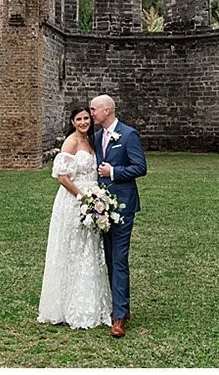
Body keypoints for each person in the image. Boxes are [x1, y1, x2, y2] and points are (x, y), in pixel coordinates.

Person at [36, 105, 112, 330]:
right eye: (78, 119)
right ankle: (65, 305)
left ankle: (90, 303)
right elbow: (62, 177)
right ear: (72, 122)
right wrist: (83, 197)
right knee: (72, 249)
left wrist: (96, 198)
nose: (83, 123)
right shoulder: (70, 142)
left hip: (92, 198)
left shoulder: (91, 141)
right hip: (73, 200)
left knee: (89, 249)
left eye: (86, 118)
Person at [89, 93, 146, 337]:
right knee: (110, 258)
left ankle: (119, 317)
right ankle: (122, 305)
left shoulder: (129, 135)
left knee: (119, 259)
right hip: (101, 208)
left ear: (107, 110)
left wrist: (114, 171)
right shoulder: (96, 136)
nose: (91, 114)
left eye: (94, 110)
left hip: (123, 206)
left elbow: (140, 167)